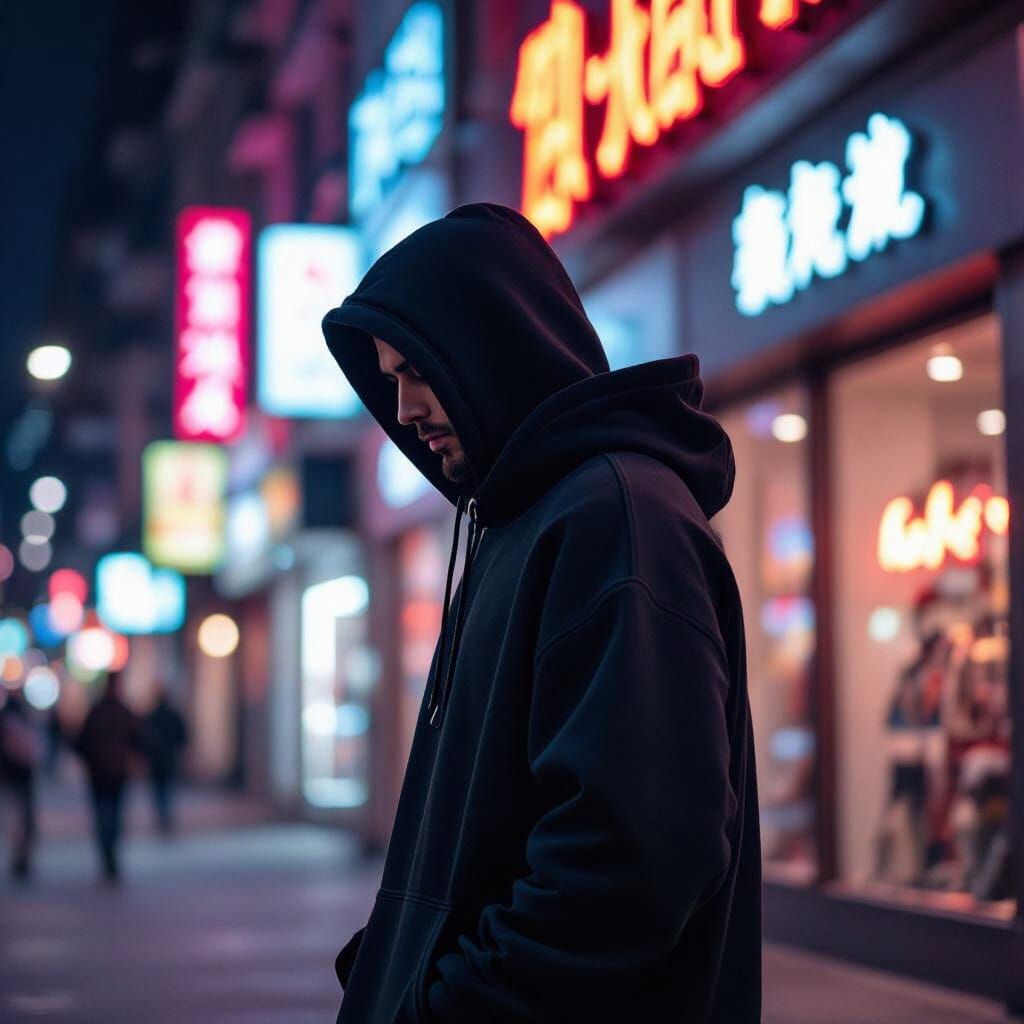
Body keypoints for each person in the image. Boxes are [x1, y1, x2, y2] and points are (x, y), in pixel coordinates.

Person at [321, 203, 761, 1024]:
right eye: (391, 381)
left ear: (489, 345)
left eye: (418, 370)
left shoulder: (619, 519)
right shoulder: (520, 522)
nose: (406, 409)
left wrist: (442, 1006)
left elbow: (630, 865)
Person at [73, 670, 144, 881]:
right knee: (114, 814)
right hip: (116, 773)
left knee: (103, 814)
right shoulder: (123, 711)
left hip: (100, 773)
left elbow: (81, 742)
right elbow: (139, 739)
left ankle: (107, 853)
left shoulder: (96, 711)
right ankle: (110, 853)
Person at [0, 689, 43, 880]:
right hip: (19, 776)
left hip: (14, 776)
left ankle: (21, 858)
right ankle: (21, 858)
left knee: (17, 819)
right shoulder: (19, 718)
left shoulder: (8, 718)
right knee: (21, 819)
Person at [142, 686, 188, 834]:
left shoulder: (152, 716)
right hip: (168, 759)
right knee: (166, 788)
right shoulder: (172, 715)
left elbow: (144, 738)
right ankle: (165, 815)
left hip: (156, 760)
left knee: (159, 789)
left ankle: (163, 815)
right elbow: (182, 736)